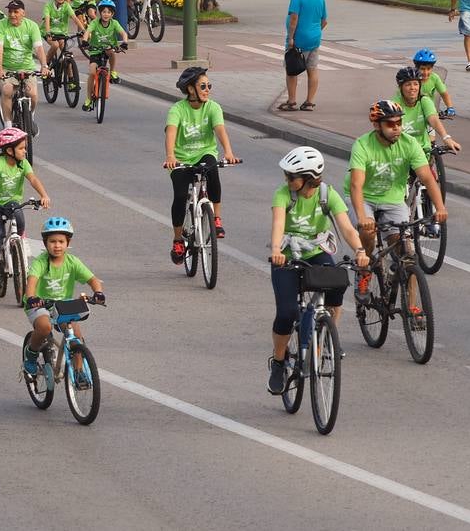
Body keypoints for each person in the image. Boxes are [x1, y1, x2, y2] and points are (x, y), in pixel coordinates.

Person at [266, 147, 369, 395]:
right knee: (287, 313)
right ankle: (278, 363)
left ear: (309, 178)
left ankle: (326, 338)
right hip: (288, 256)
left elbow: (346, 227)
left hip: (316, 252)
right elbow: (278, 224)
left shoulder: (327, 194)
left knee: (337, 284)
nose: (287, 180)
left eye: (292, 177)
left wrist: (360, 251)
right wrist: (277, 249)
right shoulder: (283, 195)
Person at [345, 100, 448, 285]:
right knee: (367, 233)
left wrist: (439, 208)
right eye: (390, 124)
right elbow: (356, 185)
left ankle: (413, 310)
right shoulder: (362, 145)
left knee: (408, 254)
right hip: (364, 198)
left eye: (399, 123)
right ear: (377, 125)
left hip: (392, 199)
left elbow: (427, 178)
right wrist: (362, 218)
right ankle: (364, 271)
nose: (396, 128)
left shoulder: (409, 144)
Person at [164, 67, 241, 264]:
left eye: (209, 86)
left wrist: (229, 152)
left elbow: (220, 130)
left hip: (205, 153)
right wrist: (171, 156)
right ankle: (178, 239)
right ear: (191, 89)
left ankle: (216, 219)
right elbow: (171, 132)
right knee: (180, 196)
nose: (207, 89)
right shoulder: (177, 109)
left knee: (213, 169)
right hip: (181, 158)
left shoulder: (213, 107)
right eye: (203, 86)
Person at [21, 217, 104, 376]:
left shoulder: (72, 262)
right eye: (52, 241)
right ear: (45, 243)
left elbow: (93, 280)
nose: (57, 245)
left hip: (62, 305)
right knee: (45, 327)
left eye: (61, 241)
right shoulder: (41, 262)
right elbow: (31, 282)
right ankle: (31, 356)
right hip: (39, 305)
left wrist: (98, 292)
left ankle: (79, 372)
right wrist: (31, 297)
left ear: (68, 242)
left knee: (76, 335)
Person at [0, 128, 51, 289]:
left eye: (25, 148)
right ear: (9, 150)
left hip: (11, 203)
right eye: (21, 148)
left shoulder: (23, 164)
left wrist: (44, 195)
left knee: (19, 214)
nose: (25, 151)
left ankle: (22, 239)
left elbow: (33, 179)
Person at [0, 0, 48, 131]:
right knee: (7, 91)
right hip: (7, 68)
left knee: (33, 95)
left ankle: (30, 117)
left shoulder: (32, 26)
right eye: (10, 11)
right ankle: (8, 126)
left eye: (16, 12)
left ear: (23, 13)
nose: (12, 15)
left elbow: (39, 48)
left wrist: (44, 66)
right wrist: (0, 69)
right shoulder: (0, 25)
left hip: (27, 67)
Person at [281, 0, 327, 112]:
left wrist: (291, 38)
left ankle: (292, 101)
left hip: (298, 39)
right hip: (314, 39)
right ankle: (309, 102)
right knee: (312, 69)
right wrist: (315, 32)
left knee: (292, 70)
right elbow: (324, 21)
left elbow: (294, 18)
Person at [394, 66, 460, 157]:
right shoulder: (395, 104)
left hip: (422, 148)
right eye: (408, 84)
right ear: (400, 87)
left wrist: (446, 137)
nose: (413, 88)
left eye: (416, 84)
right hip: (401, 149)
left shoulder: (424, 100)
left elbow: (433, 119)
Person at [81, 0, 129, 108]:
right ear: (100, 13)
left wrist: (125, 42)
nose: (106, 14)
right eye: (103, 12)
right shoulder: (95, 22)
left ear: (112, 14)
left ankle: (112, 72)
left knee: (111, 52)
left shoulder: (114, 23)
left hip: (108, 48)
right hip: (95, 50)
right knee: (92, 73)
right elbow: (88, 32)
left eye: (109, 12)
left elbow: (123, 33)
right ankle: (88, 98)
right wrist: (84, 41)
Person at [43, 0, 84, 66]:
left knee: (66, 54)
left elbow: (75, 18)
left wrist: (83, 30)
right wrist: (47, 32)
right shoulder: (48, 6)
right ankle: (46, 64)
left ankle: (71, 76)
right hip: (49, 32)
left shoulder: (66, 6)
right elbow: (47, 20)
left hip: (61, 33)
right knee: (55, 45)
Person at [411, 49, 455, 114]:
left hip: (429, 110)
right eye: (422, 69)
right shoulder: (411, 78)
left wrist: (450, 107)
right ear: (416, 68)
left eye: (429, 69)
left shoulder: (434, 78)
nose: (426, 72)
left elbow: (444, 94)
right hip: (413, 110)